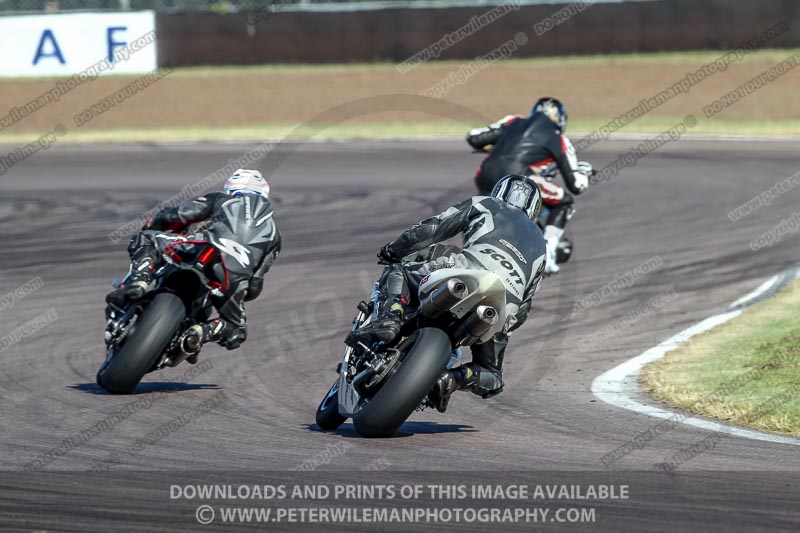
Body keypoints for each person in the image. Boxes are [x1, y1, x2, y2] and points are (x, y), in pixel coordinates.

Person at [351, 175, 546, 412]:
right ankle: (453, 378)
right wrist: (504, 329)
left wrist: (394, 249)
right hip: (505, 303)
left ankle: (390, 318)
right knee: (492, 376)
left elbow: (433, 228)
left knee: (399, 270)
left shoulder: (486, 203)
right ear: (534, 207)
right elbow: (525, 307)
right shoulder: (542, 244)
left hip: (468, 269)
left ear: (500, 191)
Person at [105, 169, 281, 352]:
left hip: (204, 248)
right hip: (233, 278)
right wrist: (237, 288)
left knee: (146, 238)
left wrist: (155, 223)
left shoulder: (222, 199)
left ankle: (139, 280)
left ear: (231, 189)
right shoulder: (275, 236)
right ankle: (204, 331)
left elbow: (177, 215)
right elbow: (254, 288)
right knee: (236, 330)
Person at [466, 97, 593, 274]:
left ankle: (473, 246)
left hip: (485, 175)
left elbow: (474, 137)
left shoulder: (512, 121)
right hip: (520, 179)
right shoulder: (560, 140)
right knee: (565, 202)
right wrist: (584, 171)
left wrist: (497, 146)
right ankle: (548, 254)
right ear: (561, 119)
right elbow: (577, 186)